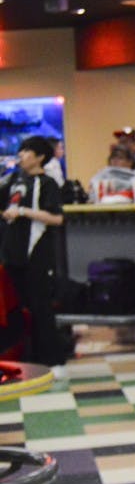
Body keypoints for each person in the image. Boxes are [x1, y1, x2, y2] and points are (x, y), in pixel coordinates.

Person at [0, 136, 66, 372]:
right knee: (16, 309)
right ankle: (25, 357)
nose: (21, 156)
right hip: (11, 255)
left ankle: (54, 361)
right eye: (21, 151)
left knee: (41, 308)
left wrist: (24, 212)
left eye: (27, 151)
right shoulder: (13, 181)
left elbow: (56, 218)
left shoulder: (46, 183)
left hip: (35, 254)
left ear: (39, 157)